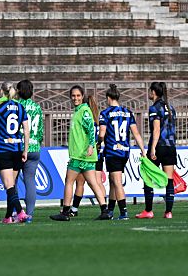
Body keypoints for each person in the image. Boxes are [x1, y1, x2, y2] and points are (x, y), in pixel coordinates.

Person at [50, 85, 110, 221]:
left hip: (79, 155)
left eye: (78, 95)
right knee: (93, 183)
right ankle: (105, 210)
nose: (75, 98)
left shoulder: (84, 111)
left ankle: (65, 212)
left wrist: (90, 145)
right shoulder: (80, 111)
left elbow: (90, 128)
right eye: (73, 96)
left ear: (82, 96)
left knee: (69, 182)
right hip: (85, 155)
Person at [98, 83, 146, 220]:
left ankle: (124, 212)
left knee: (117, 182)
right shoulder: (127, 112)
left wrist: (98, 143)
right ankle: (111, 210)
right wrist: (143, 149)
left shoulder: (105, 113)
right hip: (125, 151)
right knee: (114, 181)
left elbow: (102, 133)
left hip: (113, 151)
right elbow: (136, 133)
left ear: (108, 98)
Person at [0, 85, 30, 224]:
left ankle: (20, 212)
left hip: (4, 150)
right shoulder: (20, 107)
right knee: (12, 186)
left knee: (9, 186)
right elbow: (26, 131)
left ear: (1, 92)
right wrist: (25, 150)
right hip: (17, 149)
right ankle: (7, 217)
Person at [136, 81, 178, 220]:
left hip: (159, 146)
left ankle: (148, 210)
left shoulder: (155, 108)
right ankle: (168, 212)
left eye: (150, 91)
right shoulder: (171, 108)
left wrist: (152, 148)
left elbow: (157, 129)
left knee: (148, 178)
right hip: (171, 147)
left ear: (153, 92)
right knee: (169, 180)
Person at [17, 79, 44, 222]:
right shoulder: (37, 107)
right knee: (30, 180)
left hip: (19, 147)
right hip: (35, 147)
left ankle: (15, 212)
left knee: (12, 181)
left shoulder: (17, 106)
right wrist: (37, 142)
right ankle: (30, 213)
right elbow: (40, 131)